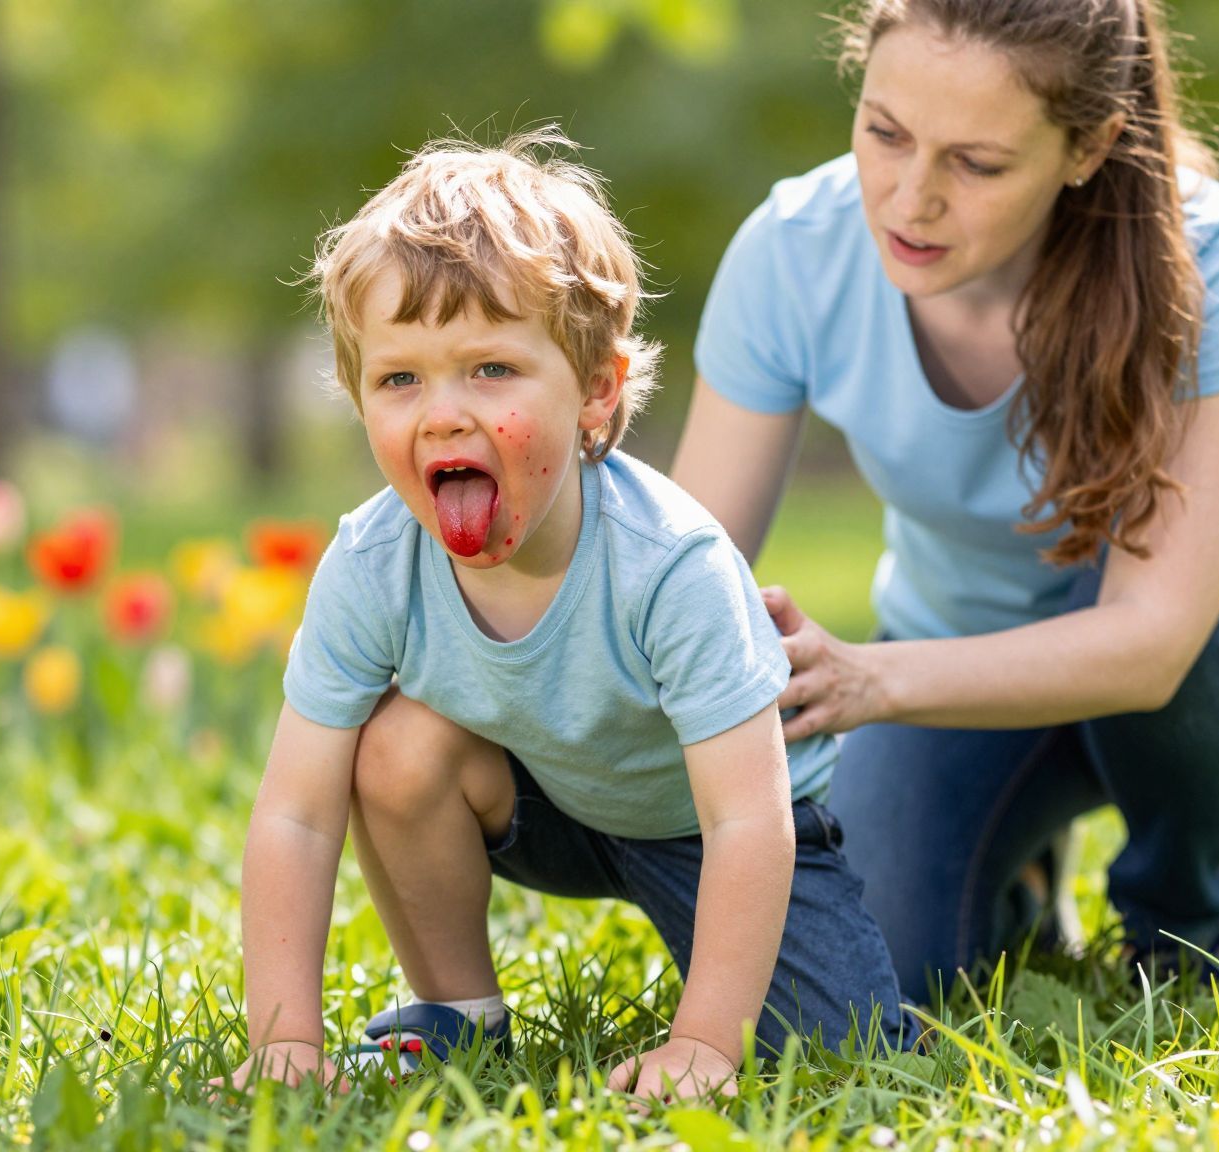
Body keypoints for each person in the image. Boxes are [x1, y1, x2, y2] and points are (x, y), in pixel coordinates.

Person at [670, 0, 1219, 1000]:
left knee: (1210, 625)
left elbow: (1154, 643)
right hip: (957, 663)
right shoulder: (792, 249)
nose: (909, 200)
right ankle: (1017, 872)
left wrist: (868, 683)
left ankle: (1180, 926)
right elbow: (686, 562)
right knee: (873, 973)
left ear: (1087, 147)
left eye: (976, 164)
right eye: (883, 134)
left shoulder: (1211, 255)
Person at [216, 131, 911, 1103]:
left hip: (713, 824)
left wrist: (706, 1042)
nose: (443, 413)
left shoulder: (671, 563)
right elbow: (293, 812)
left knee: (842, 1053)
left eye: (490, 369)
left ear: (595, 391)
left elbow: (747, 819)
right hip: (550, 799)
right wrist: (282, 1040)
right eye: (399, 379)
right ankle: (459, 1015)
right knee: (394, 748)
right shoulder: (373, 563)